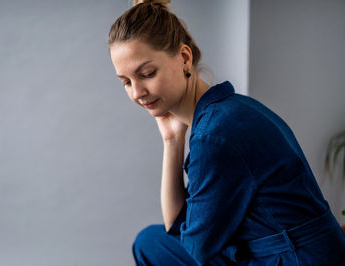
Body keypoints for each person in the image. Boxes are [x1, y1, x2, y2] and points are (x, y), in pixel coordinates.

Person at [108, 0, 345, 265]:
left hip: (295, 258)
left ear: (184, 58)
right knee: (152, 241)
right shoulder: (232, 109)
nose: (137, 93)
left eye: (147, 73)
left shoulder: (216, 134)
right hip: (306, 250)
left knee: (151, 246)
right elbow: (178, 228)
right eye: (126, 82)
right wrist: (172, 139)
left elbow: (196, 247)